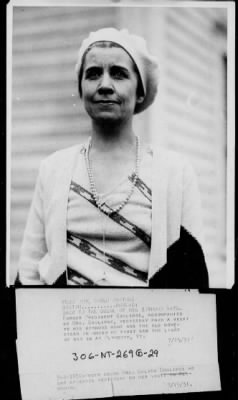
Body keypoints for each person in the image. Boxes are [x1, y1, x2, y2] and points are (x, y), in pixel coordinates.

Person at [17, 27, 209, 287]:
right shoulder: (53, 169)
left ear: (140, 91)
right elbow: (29, 271)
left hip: (145, 322)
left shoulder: (176, 172)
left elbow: (193, 276)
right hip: (66, 322)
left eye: (118, 74)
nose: (105, 85)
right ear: (81, 88)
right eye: (93, 74)